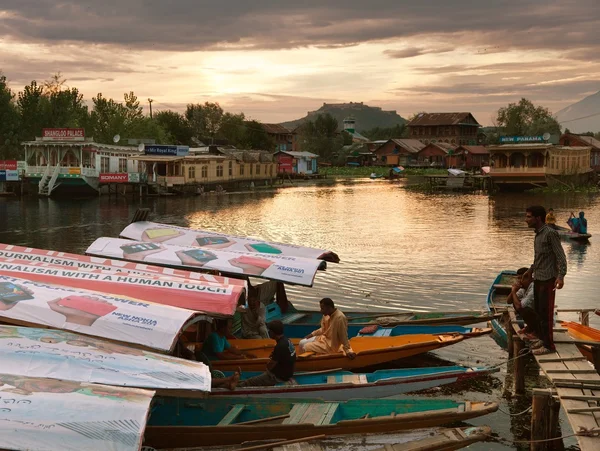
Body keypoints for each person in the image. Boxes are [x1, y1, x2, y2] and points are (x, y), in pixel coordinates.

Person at [524, 206, 567, 356]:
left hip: (548, 279)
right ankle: (542, 339)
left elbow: (561, 256)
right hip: (538, 278)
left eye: (529, 217)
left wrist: (561, 277)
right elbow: (539, 258)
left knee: (547, 314)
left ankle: (549, 346)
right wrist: (530, 271)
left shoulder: (550, 233)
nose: (526, 219)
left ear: (538, 218)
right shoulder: (538, 234)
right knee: (539, 312)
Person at [236, 320, 296, 388]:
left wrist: (267, 366)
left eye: (269, 330)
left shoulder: (280, 346)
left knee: (249, 381)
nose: (268, 332)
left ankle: (236, 388)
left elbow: (270, 366)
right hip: (287, 374)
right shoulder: (288, 341)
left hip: (276, 377)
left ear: (273, 332)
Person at [507, 267, 541, 344]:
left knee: (523, 308)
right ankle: (529, 327)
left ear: (530, 278)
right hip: (535, 315)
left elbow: (520, 306)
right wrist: (514, 291)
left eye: (521, 278)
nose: (519, 281)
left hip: (541, 318)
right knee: (515, 304)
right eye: (518, 278)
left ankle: (536, 332)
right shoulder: (523, 288)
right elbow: (508, 301)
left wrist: (513, 291)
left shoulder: (533, 288)